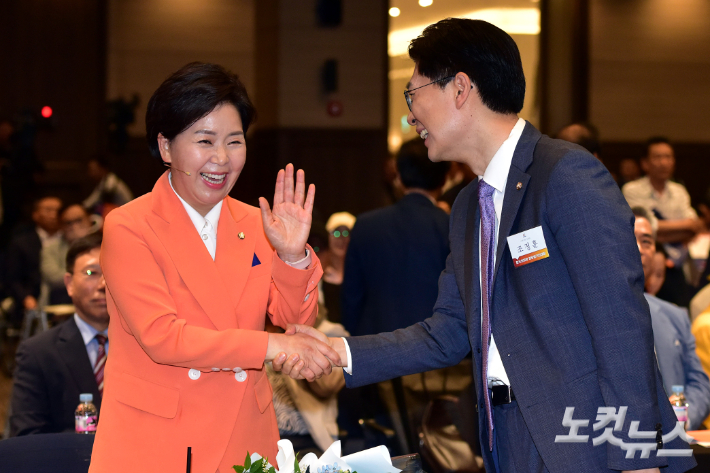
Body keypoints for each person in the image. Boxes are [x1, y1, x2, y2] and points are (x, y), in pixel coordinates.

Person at [277, 18, 695, 473]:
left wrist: (637, 461)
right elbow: (448, 332)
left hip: (587, 445)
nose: (412, 114)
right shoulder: (467, 208)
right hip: (506, 438)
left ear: (460, 89)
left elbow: (620, 323)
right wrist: (338, 351)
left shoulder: (565, 174)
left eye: (413, 94)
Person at [89, 62, 340, 473]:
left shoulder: (257, 223)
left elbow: (294, 323)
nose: (221, 159)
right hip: (161, 441)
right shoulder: (129, 226)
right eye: (204, 141)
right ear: (166, 147)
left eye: (234, 141)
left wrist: (294, 256)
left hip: (246, 433)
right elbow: (163, 337)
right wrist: (272, 347)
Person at [341, 138, 450, 336]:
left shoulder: (366, 225)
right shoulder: (450, 226)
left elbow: (352, 298)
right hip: (435, 348)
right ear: (444, 179)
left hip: (375, 345)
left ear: (397, 177)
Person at [10, 233, 107, 436]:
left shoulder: (149, 347)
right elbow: (29, 435)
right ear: (69, 283)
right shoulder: (38, 353)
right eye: (91, 273)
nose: (103, 285)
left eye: (112, 272)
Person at [632, 206, 710, 431]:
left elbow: (701, 385)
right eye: (630, 238)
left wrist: (682, 421)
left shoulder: (675, 316)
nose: (639, 248)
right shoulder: (589, 315)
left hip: (677, 446)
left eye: (647, 241)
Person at [4, 196, 62, 323]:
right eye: (48, 210)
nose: (53, 215)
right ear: (35, 215)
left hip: (64, 295)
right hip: (32, 297)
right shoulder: (21, 243)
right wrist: (26, 298)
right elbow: (11, 278)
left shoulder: (69, 241)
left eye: (57, 210)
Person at [41, 203, 94, 305]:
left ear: (89, 220)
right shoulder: (50, 249)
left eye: (79, 220)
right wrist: (89, 273)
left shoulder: (103, 244)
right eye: (68, 223)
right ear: (61, 226)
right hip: (62, 301)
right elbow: (54, 278)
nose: (74, 226)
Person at [320, 211, 356, 324]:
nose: (342, 239)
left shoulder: (363, 275)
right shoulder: (317, 274)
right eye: (336, 233)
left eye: (347, 233)